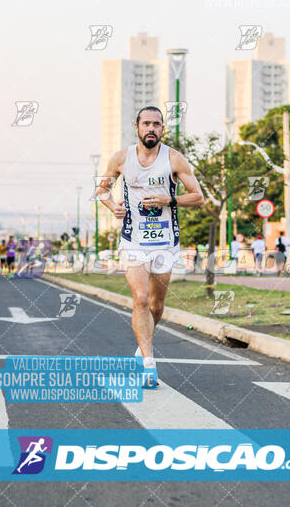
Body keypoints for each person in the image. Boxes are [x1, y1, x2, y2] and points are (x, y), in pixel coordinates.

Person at [97, 105, 204, 388]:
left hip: (166, 242)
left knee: (156, 305)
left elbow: (198, 197)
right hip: (134, 241)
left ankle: (142, 345)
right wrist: (113, 207)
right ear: (137, 128)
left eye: (157, 124)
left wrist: (170, 200)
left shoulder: (174, 159)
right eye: (147, 124)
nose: (152, 129)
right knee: (141, 299)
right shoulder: (121, 158)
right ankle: (148, 364)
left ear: (162, 129)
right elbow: (102, 189)